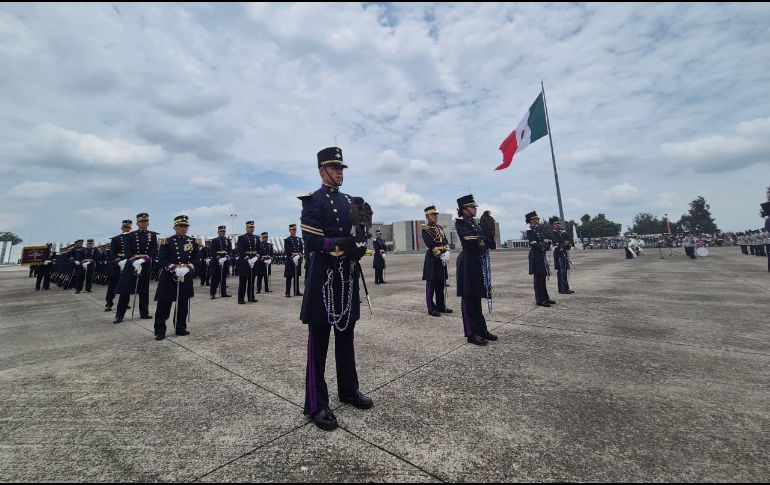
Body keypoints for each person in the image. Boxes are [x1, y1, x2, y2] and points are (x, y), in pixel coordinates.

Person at [300, 146, 372, 431]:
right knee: (318, 342)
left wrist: (361, 245)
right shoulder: (312, 202)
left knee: (346, 337)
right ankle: (316, 403)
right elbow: (313, 243)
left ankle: (349, 390)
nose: (340, 172)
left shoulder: (349, 201)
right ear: (322, 170)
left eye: (342, 168)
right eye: (335, 168)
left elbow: (358, 235)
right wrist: (344, 244)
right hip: (323, 279)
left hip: (347, 277)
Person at [456, 194, 496, 346]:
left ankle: (482, 330)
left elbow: (483, 239)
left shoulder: (474, 223)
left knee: (477, 296)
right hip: (467, 261)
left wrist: (487, 240)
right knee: (468, 297)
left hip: (476, 261)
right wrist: (483, 242)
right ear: (465, 209)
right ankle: (471, 333)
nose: (474, 209)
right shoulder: (461, 223)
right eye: (472, 207)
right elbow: (472, 240)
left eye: (474, 206)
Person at [153, 215, 199, 340]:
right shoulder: (166, 241)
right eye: (181, 226)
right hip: (169, 276)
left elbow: (196, 258)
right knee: (164, 304)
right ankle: (159, 330)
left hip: (185, 275)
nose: (183, 228)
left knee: (183, 304)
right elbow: (161, 259)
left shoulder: (192, 242)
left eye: (185, 226)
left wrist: (188, 268)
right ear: (175, 227)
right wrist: (174, 268)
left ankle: (180, 328)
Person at [113, 212, 159, 324]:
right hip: (132, 263)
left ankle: (144, 312)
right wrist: (134, 261)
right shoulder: (130, 235)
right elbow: (127, 250)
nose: (144, 223)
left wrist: (144, 259)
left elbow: (154, 249)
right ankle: (119, 315)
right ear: (137, 223)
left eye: (146, 221)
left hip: (145, 263)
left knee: (144, 289)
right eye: (142, 221)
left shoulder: (152, 235)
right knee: (126, 289)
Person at [421, 205, 452, 317]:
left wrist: (447, 251)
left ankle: (441, 306)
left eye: (436, 214)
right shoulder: (425, 228)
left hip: (442, 258)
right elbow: (429, 243)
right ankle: (431, 308)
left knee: (440, 284)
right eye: (433, 214)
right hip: (432, 259)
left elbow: (445, 240)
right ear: (428, 216)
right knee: (431, 285)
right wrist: (439, 254)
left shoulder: (439, 228)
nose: (435, 216)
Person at [526, 211, 556, 307]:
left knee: (542, 277)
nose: (538, 220)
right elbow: (534, 244)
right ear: (531, 220)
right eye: (536, 219)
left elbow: (544, 241)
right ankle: (539, 299)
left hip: (541, 254)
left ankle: (545, 297)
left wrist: (546, 245)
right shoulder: (530, 231)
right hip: (536, 255)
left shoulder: (538, 230)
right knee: (538, 278)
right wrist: (542, 247)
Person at [105, 220, 132, 311]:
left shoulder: (133, 238)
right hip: (116, 265)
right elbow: (112, 253)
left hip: (128, 263)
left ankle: (125, 303)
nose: (127, 229)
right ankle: (109, 303)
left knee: (126, 286)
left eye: (128, 227)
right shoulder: (115, 239)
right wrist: (119, 262)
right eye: (125, 227)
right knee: (112, 285)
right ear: (122, 228)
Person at [549, 217, 574, 294]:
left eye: (559, 223)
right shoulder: (553, 233)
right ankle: (562, 289)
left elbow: (569, 241)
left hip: (564, 253)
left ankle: (566, 288)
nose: (559, 225)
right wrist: (562, 245)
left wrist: (568, 244)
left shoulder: (562, 232)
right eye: (557, 223)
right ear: (553, 225)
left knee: (565, 270)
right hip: (558, 253)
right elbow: (555, 243)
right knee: (561, 271)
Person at [236, 221, 259, 304]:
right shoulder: (242, 238)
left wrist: (256, 257)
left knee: (252, 281)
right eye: (250, 227)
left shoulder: (257, 238)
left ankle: (251, 297)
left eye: (253, 227)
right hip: (244, 263)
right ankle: (241, 299)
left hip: (254, 261)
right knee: (243, 282)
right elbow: (240, 250)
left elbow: (259, 249)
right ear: (246, 228)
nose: (251, 229)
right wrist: (248, 259)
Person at [209, 225, 233, 299]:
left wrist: (226, 257)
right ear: (218, 232)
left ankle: (223, 292)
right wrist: (218, 258)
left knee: (223, 278)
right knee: (215, 278)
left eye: (223, 231)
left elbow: (229, 250)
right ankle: (212, 293)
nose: (222, 233)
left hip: (224, 260)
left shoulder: (227, 241)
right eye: (221, 231)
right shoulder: (214, 240)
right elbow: (212, 251)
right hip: (216, 262)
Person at [284, 224, 304, 297]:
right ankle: (287, 292)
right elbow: (287, 251)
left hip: (297, 259)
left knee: (296, 276)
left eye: (295, 229)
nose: (294, 231)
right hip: (290, 260)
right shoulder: (287, 240)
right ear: (289, 230)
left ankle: (297, 291)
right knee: (289, 277)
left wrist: (300, 255)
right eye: (292, 229)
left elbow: (301, 249)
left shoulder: (299, 239)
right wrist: (293, 256)